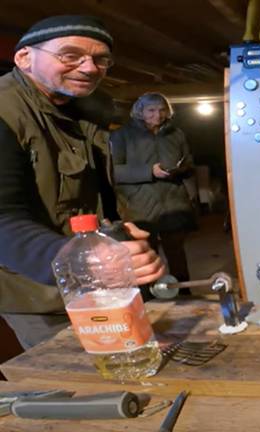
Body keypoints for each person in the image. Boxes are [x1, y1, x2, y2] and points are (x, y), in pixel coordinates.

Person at [0, 15, 166, 349]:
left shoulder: (82, 113)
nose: (90, 68)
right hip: (40, 294)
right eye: (70, 55)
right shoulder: (5, 112)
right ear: (24, 58)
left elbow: (86, 197)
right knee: (83, 387)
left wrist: (115, 233)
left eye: (100, 59)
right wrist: (83, 260)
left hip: (100, 283)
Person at [110, 93, 197, 283]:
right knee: (145, 259)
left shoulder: (176, 134)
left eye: (162, 110)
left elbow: (189, 162)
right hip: (139, 207)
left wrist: (180, 169)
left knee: (178, 256)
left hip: (173, 204)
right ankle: (151, 300)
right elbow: (114, 172)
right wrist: (149, 171)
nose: (157, 115)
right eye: (151, 110)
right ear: (140, 111)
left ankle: (184, 294)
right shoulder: (122, 135)